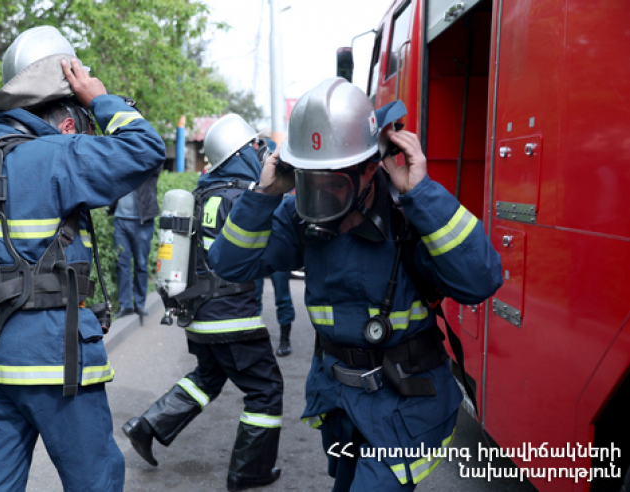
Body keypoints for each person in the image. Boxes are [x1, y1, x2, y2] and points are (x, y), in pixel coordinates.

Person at [209, 78, 503, 491]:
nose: (323, 200)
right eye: (311, 182)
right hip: (341, 403)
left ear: (371, 166)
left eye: (336, 183)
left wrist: (421, 193)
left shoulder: (411, 213)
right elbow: (229, 264)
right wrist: (264, 194)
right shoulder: (300, 215)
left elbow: (482, 279)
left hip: (409, 405)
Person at [0, 26, 165, 491]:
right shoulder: (59, 154)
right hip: (55, 361)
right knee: (94, 480)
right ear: (69, 120)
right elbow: (146, 149)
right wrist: (101, 97)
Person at [122, 113, 284, 492]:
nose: (261, 153)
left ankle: (147, 426)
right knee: (266, 390)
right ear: (240, 153)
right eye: (256, 147)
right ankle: (248, 471)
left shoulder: (201, 193)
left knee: (208, 378)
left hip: (198, 314)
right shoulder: (243, 197)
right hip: (232, 316)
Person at [109, 165, 161, 322]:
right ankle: (125, 305)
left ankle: (140, 303)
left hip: (142, 221)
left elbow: (157, 163)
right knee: (122, 264)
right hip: (120, 221)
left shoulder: (148, 162)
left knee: (141, 264)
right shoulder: (121, 161)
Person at [255, 269, 295, 356]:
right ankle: (252, 338)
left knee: (282, 298)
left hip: (279, 257)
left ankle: (285, 340)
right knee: (253, 299)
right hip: (255, 257)